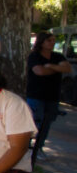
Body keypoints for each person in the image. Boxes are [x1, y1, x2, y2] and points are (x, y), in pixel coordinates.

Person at [27, 31, 72, 159]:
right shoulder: (34, 56)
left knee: (46, 123)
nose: (52, 43)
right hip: (36, 95)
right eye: (49, 40)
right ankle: (27, 147)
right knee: (34, 122)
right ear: (41, 42)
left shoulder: (58, 56)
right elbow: (39, 71)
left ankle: (39, 148)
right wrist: (57, 69)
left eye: (53, 40)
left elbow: (67, 68)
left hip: (52, 96)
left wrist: (50, 66)